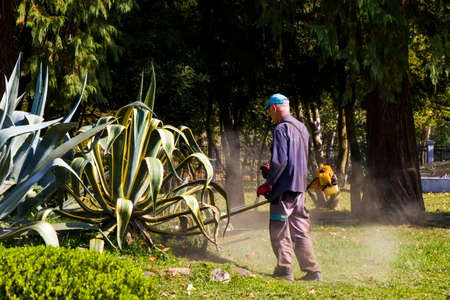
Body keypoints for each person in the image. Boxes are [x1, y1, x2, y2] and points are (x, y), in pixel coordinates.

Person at [257, 93, 322, 281]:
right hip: (300, 189)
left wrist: (268, 183)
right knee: (300, 229)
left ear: (275, 108)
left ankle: (284, 269)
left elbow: (280, 161)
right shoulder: (302, 128)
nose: (270, 114)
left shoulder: (281, 129)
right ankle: (313, 271)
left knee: (279, 227)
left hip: (284, 190)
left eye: (269, 110)